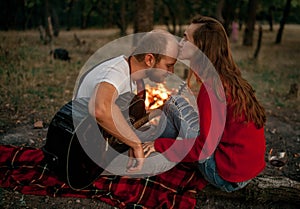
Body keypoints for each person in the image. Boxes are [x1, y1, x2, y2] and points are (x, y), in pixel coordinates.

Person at [143, 15, 266, 192]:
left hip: (224, 175)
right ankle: (159, 149)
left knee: (173, 105)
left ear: (200, 47)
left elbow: (203, 148)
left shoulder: (213, 89)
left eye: (186, 38)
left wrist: (160, 145)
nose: (180, 42)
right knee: (174, 103)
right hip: (246, 169)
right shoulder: (228, 77)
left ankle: (154, 151)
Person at [75, 30, 179, 173]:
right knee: (166, 161)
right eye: (169, 65)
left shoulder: (134, 78)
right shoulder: (116, 72)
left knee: (166, 141)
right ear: (149, 60)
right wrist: (135, 144)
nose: (172, 71)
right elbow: (99, 109)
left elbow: (123, 117)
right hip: (87, 154)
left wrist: (158, 111)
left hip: (107, 145)